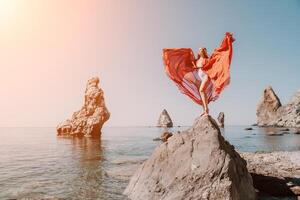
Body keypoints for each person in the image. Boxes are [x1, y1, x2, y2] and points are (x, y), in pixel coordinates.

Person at [162, 32, 235, 116]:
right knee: (201, 94)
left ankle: (206, 110)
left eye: (204, 49)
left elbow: (219, 54)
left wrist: (227, 39)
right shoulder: (196, 61)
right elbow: (188, 64)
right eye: (200, 49)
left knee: (202, 90)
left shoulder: (209, 59)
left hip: (206, 75)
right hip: (197, 77)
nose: (202, 50)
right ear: (199, 52)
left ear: (206, 51)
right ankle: (204, 110)